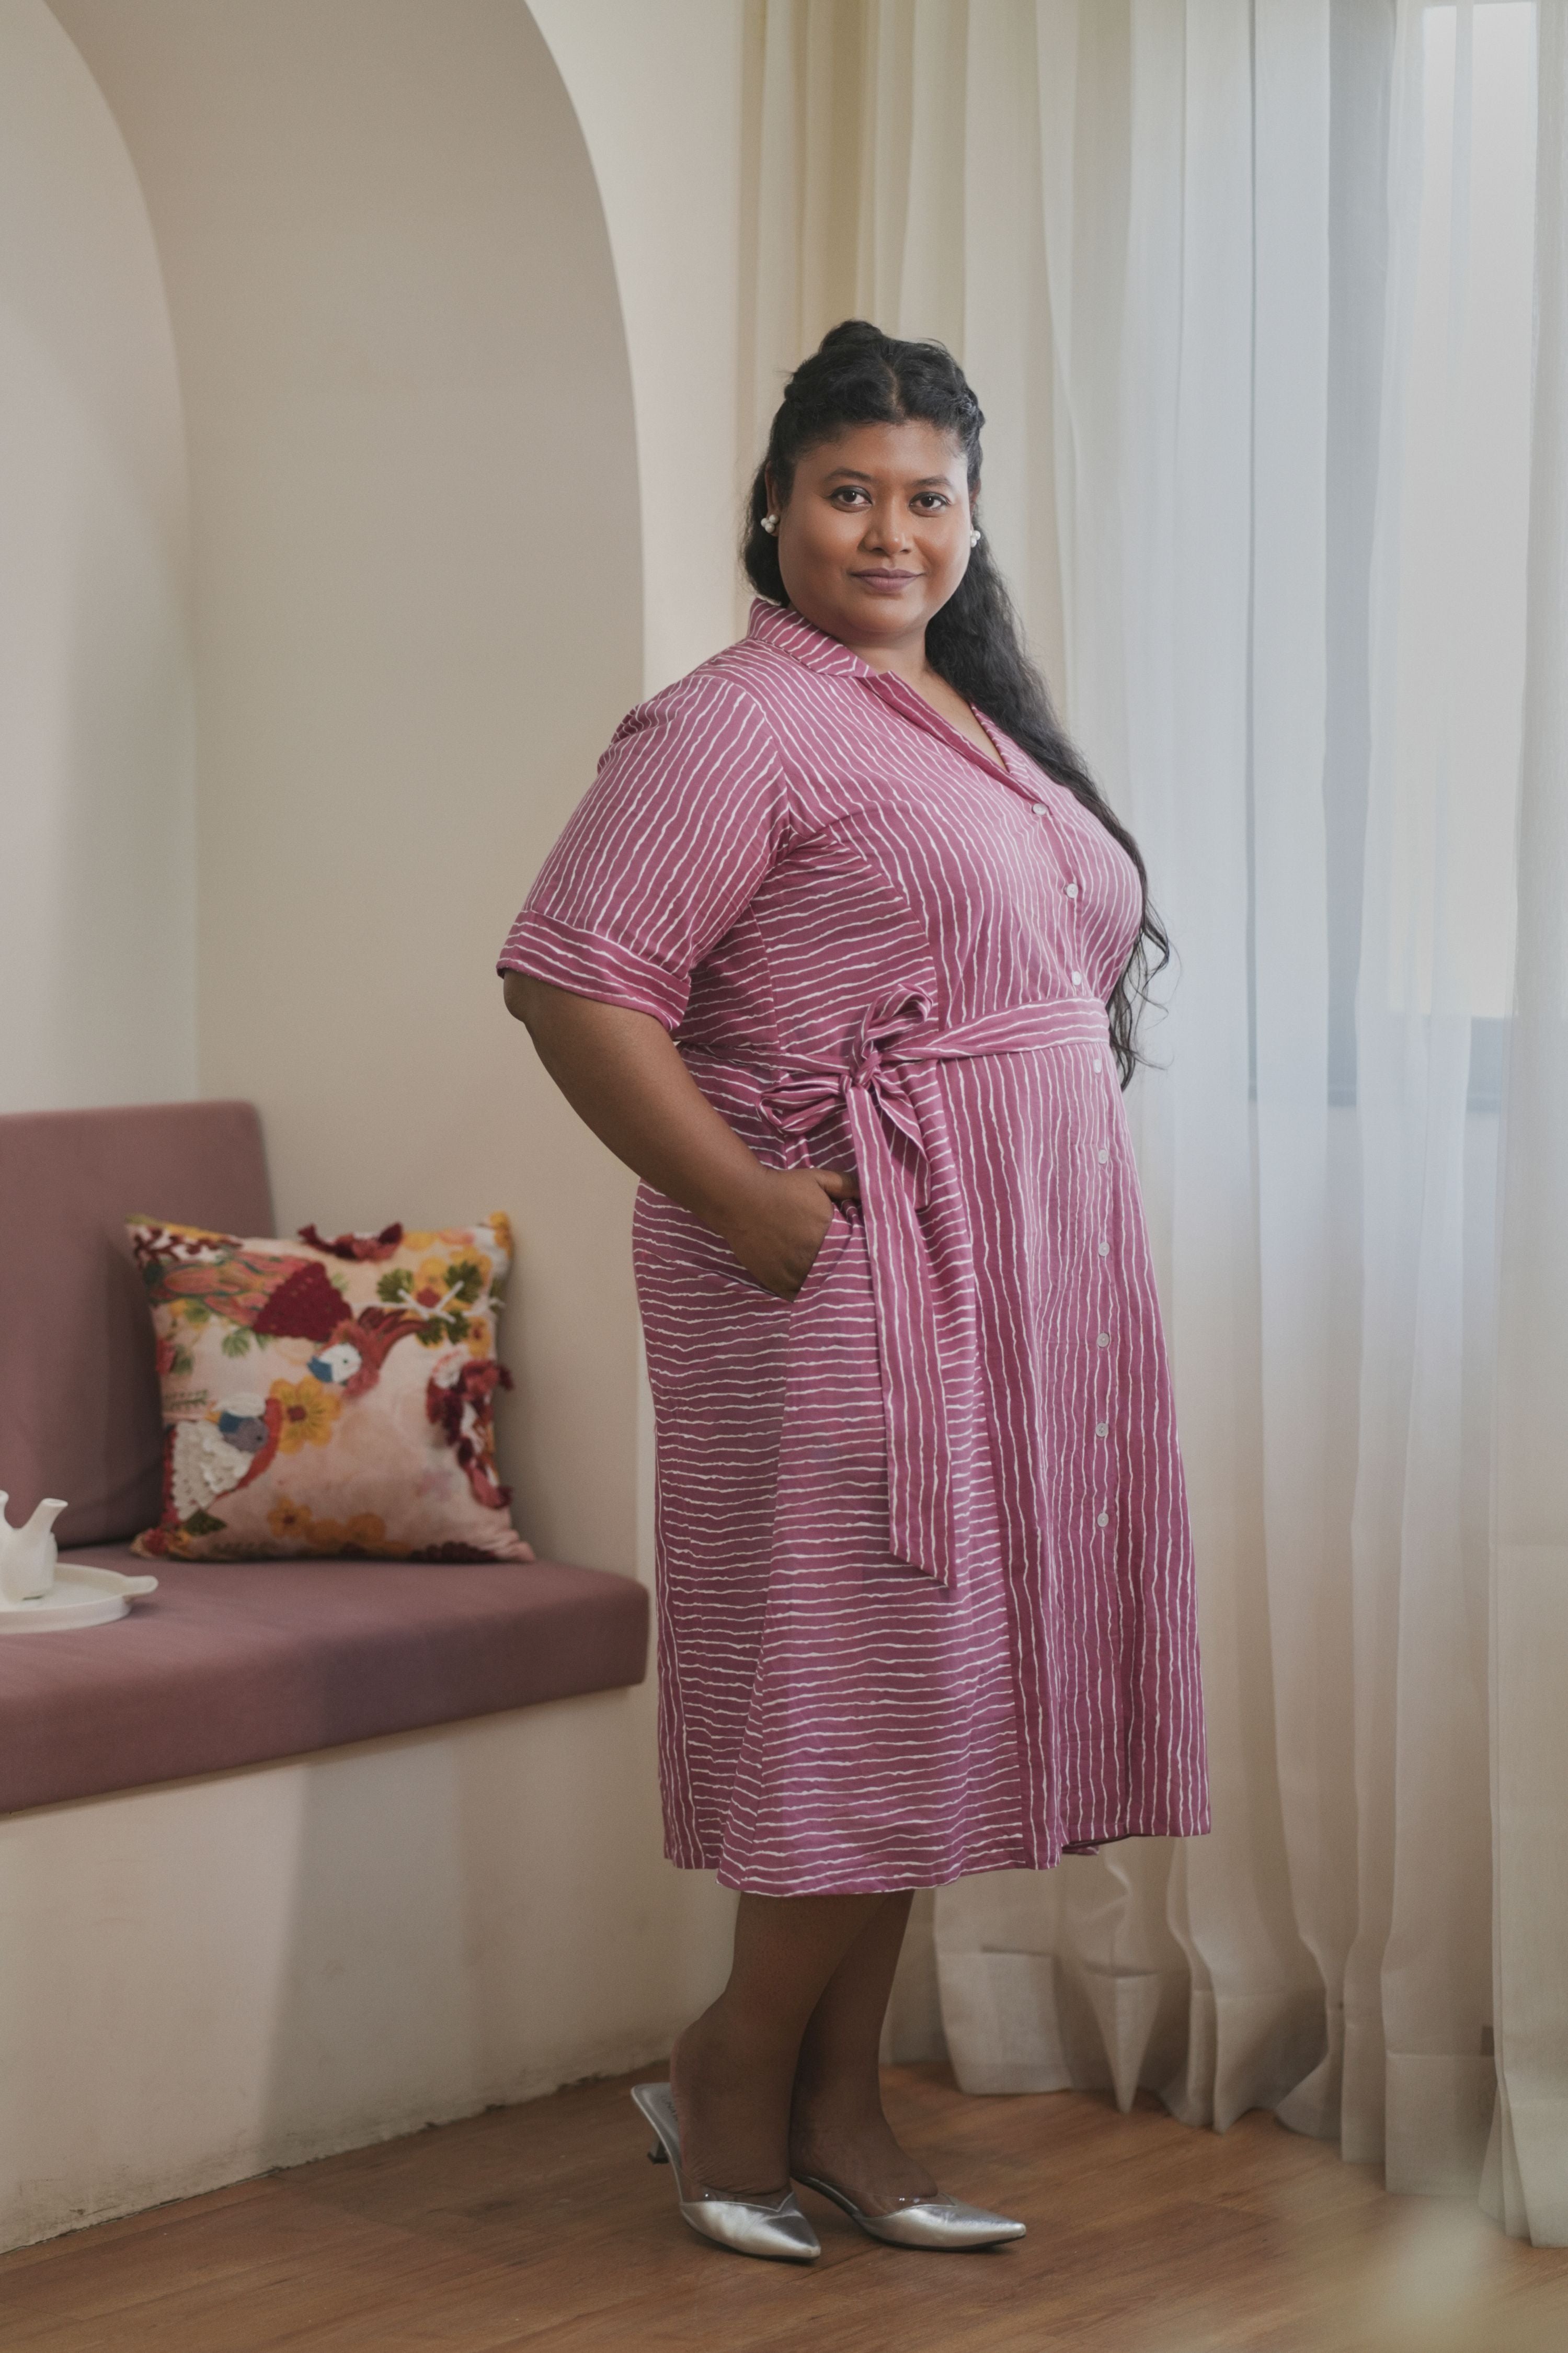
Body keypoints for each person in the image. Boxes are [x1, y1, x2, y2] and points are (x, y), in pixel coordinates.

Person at [499, 321, 1208, 2263]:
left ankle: (839, 2105)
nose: (891, 531)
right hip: (841, 1274)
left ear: (972, 521)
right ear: (775, 507)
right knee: (861, 1680)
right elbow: (570, 977)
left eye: (928, 497)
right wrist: (745, 1203)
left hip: (1011, 1276)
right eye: (848, 493)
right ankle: (731, 2073)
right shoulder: (734, 724)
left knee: (931, 1694)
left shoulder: (960, 714)